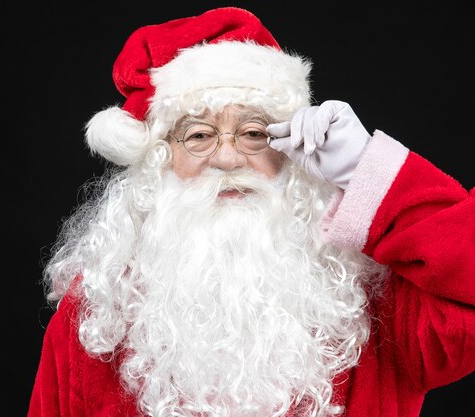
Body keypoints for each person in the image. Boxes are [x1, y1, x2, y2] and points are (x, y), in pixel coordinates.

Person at [27, 7, 475, 417]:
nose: (227, 159)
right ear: (159, 160)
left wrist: (366, 171)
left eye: (254, 133)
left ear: (291, 150)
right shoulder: (95, 318)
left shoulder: (376, 303)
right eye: (199, 136)